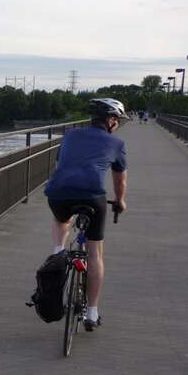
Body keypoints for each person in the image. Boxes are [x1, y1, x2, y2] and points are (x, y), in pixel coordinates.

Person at [44, 98, 128, 331]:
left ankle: (58, 252)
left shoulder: (70, 135)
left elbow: (61, 162)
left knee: (62, 219)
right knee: (94, 253)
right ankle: (92, 313)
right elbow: (119, 180)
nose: (118, 124)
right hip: (92, 197)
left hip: (58, 192)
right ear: (110, 121)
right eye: (117, 120)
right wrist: (120, 201)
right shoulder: (117, 143)